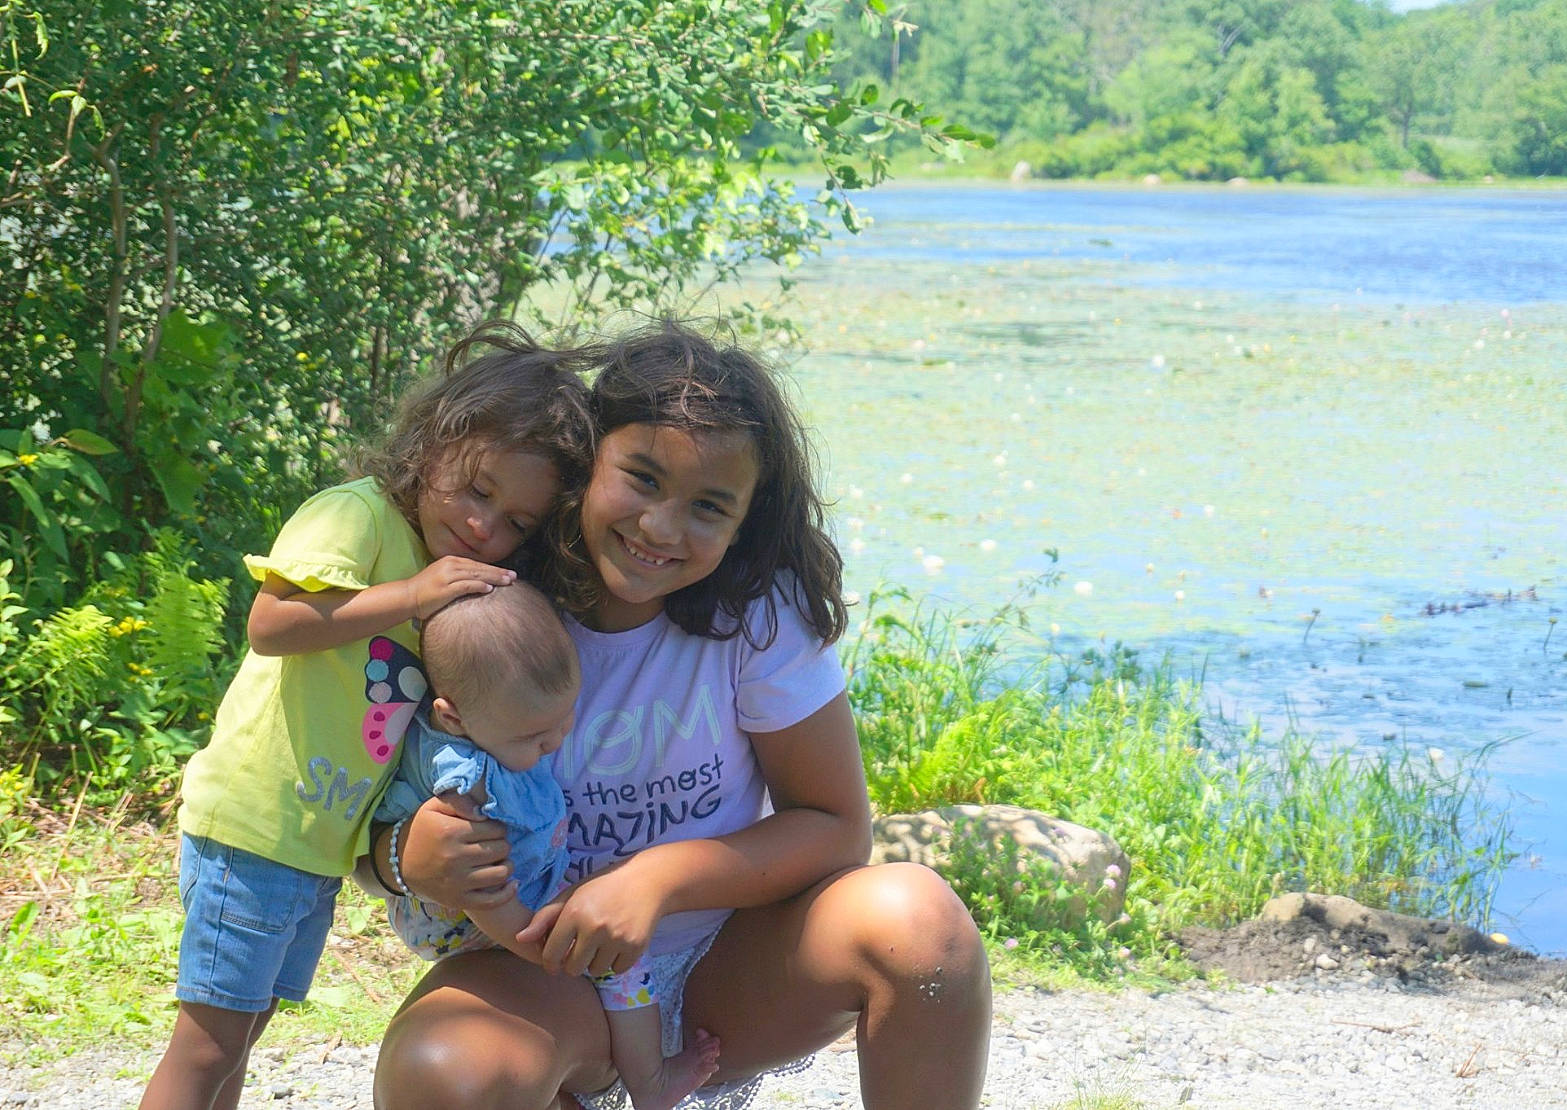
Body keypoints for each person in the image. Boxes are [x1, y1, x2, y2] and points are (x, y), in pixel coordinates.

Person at [366, 320, 992, 1110]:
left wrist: (656, 880)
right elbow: (339, 813)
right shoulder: (481, 603)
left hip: (722, 970)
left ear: (745, 522)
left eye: (709, 506)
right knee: (445, 1072)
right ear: (587, 462)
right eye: (643, 477)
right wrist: (400, 857)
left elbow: (836, 826)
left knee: (922, 926)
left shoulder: (758, 615)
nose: (661, 527)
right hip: (542, 969)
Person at [139, 324, 593, 1110]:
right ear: (431, 443)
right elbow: (271, 622)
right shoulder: (359, 516)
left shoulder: (446, 568)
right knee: (207, 1042)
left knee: (239, 1033)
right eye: (477, 490)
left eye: (518, 521)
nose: (487, 527)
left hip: (316, 837)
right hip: (257, 823)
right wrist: (410, 597)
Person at [371, 581, 721, 1110]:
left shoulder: (491, 723)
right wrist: (539, 949)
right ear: (452, 717)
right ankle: (651, 1083)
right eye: (534, 737)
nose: (554, 741)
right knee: (619, 964)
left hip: (508, 900)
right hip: (481, 919)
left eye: (565, 720)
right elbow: (476, 888)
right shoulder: (467, 786)